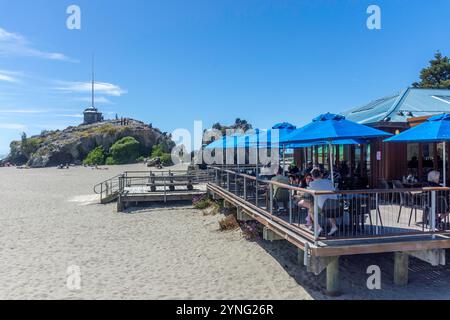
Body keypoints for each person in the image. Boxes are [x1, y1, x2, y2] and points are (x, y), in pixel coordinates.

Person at [301, 169, 339, 236]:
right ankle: (334, 226)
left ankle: (318, 228)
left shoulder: (312, 183)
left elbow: (311, 194)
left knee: (311, 210)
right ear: (321, 175)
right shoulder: (329, 181)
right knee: (328, 207)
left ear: (312, 177)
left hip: (324, 207)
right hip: (335, 205)